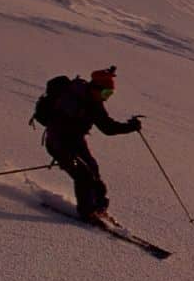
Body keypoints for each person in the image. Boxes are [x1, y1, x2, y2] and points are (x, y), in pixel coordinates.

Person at [34, 66, 141, 221]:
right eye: (105, 93)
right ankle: (87, 212)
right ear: (95, 88)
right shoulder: (74, 98)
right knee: (83, 175)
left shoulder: (94, 103)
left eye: (110, 94)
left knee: (93, 170)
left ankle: (99, 208)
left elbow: (107, 128)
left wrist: (130, 127)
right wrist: (64, 155)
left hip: (76, 141)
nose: (106, 98)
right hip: (58, 142)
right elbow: (56, 128)